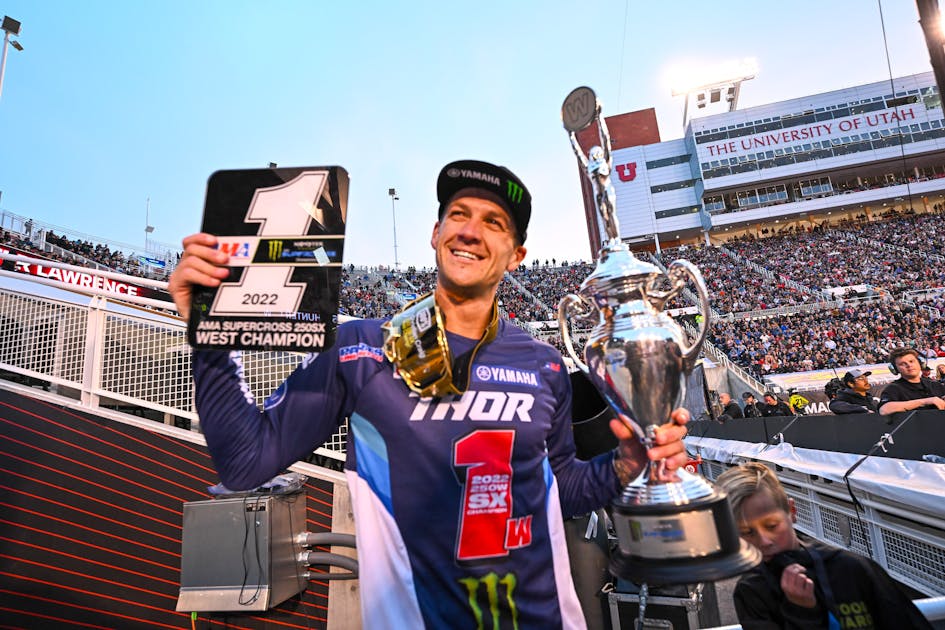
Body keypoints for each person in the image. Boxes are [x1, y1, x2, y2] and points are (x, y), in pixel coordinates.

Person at [167, 159, 690, 629]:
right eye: (458, 214)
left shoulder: (545, 364)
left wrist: (623, 466)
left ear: (517, 256)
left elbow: (562, 490)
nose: (470, 231)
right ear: (436, 233)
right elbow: (245, 462)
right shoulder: (360, 349)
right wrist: (209, 334)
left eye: (494, 223)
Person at [715, 462, 932, 630]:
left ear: (792, 511)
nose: (764, 541)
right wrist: (801, 612)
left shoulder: (852, 569)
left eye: (772, 526)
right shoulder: (752, 592)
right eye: (747, 533)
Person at [877, 347, 945, 415]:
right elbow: (884, 410)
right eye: (902, 364)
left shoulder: (935, 385)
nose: (909, 365)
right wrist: (926, 401)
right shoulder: (893, 388)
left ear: (920, 363)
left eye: (911, 361)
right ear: (895, 369)